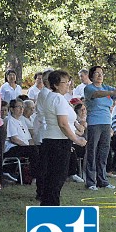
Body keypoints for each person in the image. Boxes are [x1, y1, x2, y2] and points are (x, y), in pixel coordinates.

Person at [40, 70, 87, 206]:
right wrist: (77, 140)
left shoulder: (55, 97)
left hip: (53, 140)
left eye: (68, 82)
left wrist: (77, 128)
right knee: (57, 178)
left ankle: (48, 205)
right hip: (58, 142)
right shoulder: (58, 99)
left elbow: (68, 122)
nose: (67, 85)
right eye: (64, 82)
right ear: (55, 84)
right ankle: (52, 207)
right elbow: (63, 124)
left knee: (53, 177)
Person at [83, 65, 116, 191]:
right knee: (92, 151)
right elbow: (97, 94)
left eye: (101, 73)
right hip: (94, 123)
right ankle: (90, 181)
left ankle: (102, 180)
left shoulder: (107, 87)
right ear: (91, 76)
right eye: (97, 73)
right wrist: (112, 92)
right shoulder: (89, 88)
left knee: (104, 152)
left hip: (106, 123)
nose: (100, 75)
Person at [3, 99, 42, 190]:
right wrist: (28, 147)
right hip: (12, 148)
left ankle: (42, 175)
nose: (21, 109)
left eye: (22, 107)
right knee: (33, 150)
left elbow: (29, 139)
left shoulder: (21, 121)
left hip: (23, 146)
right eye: (19, 107)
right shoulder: (9, 120)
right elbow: (14, 139)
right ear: (12, 109)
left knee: (40, 148)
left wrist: (33, 146)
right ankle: (35, 177)